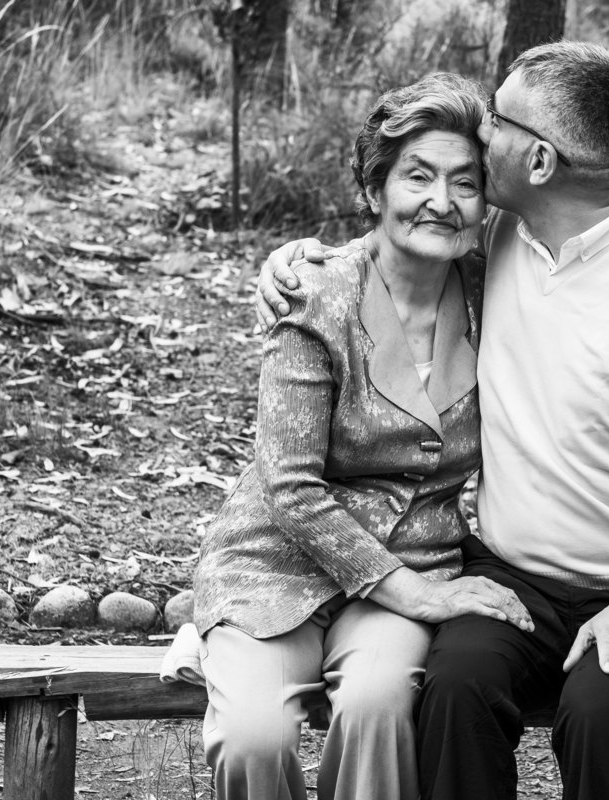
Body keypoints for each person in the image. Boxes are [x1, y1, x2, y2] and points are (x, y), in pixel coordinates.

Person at [254, 42, 609, 800]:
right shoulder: (496, 238)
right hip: (513, 581)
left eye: (495, 120)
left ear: (536, 162)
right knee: (453, 689)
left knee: (601, 714)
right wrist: (295, 264)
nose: (480, 135)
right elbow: (390, 254)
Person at [192, 72, 533, 800]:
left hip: (413, 558)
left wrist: (415, 590)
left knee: (380, 711)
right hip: (275, 566)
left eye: (465, 182)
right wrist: (419, 597)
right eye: (417, 176)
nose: (441, 202)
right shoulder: (315, 294)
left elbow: (590, 200)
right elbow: (290, 486)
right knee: (254, 739)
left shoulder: (498, 285)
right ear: (375, 190)